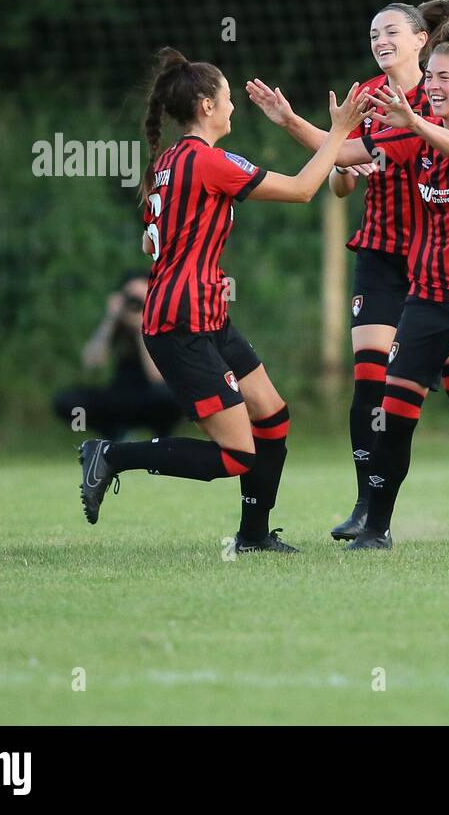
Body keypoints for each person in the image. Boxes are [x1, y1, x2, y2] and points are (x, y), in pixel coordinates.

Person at [245, 0, 449, 543]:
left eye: (392, 32)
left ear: (422, 40)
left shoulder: (442, 94)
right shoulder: (366, 97)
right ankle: (369, 506)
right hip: (382, 256)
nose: (380, 41)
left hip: (442, 265)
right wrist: (290, 120)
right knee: (371, 375)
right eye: (373, 34)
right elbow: (339, 156)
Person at [75, 47, 367, 553]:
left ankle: (254, 537)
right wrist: (339, 134)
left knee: (273, 416)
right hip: (180, 324)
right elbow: (302, 190)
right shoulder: (208, 162)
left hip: (207, 316)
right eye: (228, 98)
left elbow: (151, 243)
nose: (233, 107)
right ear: (207, 106)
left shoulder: (166, 163)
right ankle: (110, 455)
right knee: (237, 454)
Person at [52, 272, 180, 440]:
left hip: (154, 399)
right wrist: (111, 318)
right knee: (67, 401)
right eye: (131, 298)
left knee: (170, 397)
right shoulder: (117, 323)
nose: (136, 304)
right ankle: (115, 433)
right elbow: (91, 363)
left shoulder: (164, 324)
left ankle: (161, 439)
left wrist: (142, 329)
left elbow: (157, 377)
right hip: (121, 395)